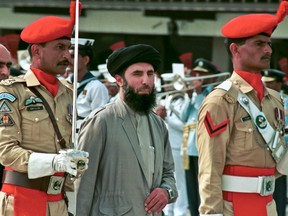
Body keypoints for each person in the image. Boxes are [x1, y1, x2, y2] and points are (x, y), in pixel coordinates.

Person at [196, 1, 288, 215]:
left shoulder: (274, 99)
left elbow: (277, 161)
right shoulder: (220, 101)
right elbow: (210, 167)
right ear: (235, 49)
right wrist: (211, 213)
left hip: (268, 205)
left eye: (269, 43)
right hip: (232, 207)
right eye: (259, 43)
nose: (267, 50)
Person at [0, 2, 89, 216]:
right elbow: (6, 152)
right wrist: (54, 162)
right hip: (23, 198)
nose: (68, 55)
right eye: (60, 47)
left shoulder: (69, 92)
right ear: (37, 51)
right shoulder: (12, 92)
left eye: (69, 48)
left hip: (58, 200)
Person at [75, 44, 178, 215]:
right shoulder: (101, 121)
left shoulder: (158, 125)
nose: (146, 81)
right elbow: (82, 186)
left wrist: (166, 191)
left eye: (150, 74)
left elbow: (168, 173)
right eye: (137, 74)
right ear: (119, 80)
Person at [179, 58, 222, 216]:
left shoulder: (213, 93)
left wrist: (196, 96)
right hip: (189, 147)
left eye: (203, 74)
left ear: (212, 76)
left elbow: (203, 116)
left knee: (202, 187)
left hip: (203, 148)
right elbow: (183, 117)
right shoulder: (194, 94)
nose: (198, 77)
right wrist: (189, 97)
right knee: (190, 187)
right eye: (197, 73)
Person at [158, 72, 189, 216]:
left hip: (178, 146)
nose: (167, 87)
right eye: (167, 83)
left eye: (171, 83)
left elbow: (185, 125)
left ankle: (180, 211)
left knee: (180, 182)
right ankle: (168, 210)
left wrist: (166, 118)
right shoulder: (165, 99)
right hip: (166, 146)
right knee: (166, 179)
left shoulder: (182, 100)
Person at [67, 38, 109, 133]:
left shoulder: (96, 87)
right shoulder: (64, 83)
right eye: (67, 56)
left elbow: (100, 120)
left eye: (73, 56)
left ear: (86, 60)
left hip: (83, 134)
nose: (68, 60)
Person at [262, 68, 287, 216]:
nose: (266, 86)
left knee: (279, 192)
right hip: (264, 151)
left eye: (270, 83)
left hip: (281, 152)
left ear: (278, 84)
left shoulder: (285, 101)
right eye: (264, 83)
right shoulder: (260, 101)